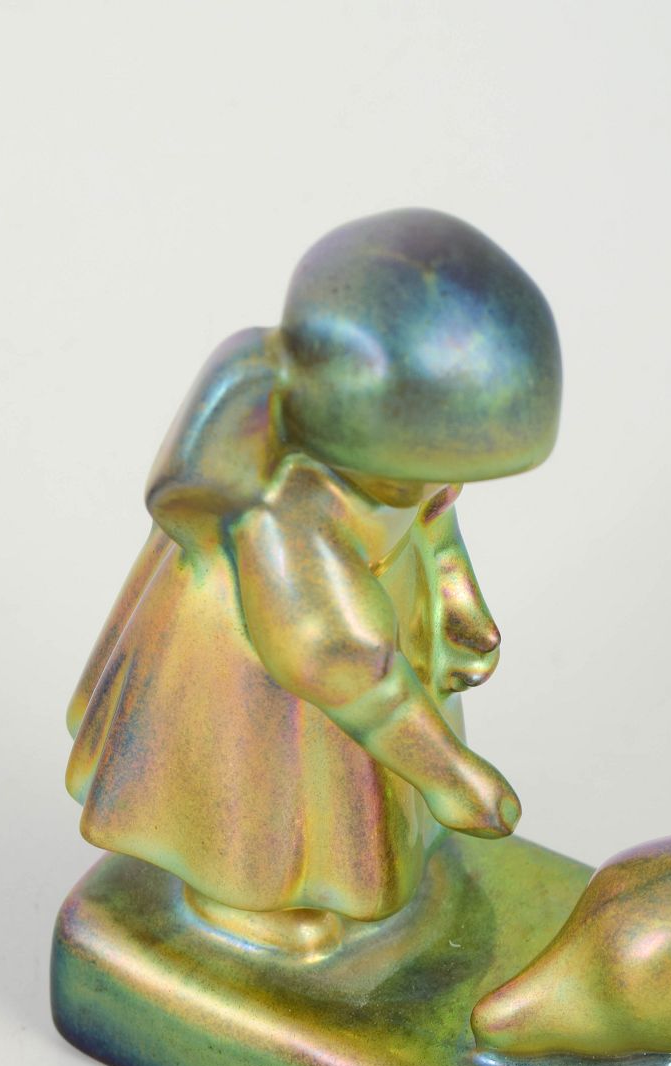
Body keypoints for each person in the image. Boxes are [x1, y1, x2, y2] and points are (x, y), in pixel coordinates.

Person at [65, 209, 562, 940]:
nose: (437, 486)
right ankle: (240, 900)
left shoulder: (395, 469)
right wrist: (449, 774)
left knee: (348, 796)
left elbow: (436, 523)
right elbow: (346, 667)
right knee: (263, 790)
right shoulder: (286, 515)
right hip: (257, 666)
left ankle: (358, 866)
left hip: (365, 639)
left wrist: (458, 609)